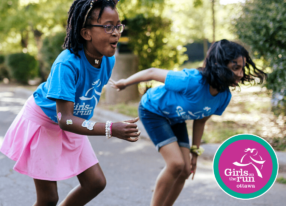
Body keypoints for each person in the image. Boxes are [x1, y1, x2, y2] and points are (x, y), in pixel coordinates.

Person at [0, 0, 140, 206]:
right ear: (86, 33)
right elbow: (63, 119)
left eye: (118, 26)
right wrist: (110, 128)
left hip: (71, 121)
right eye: (108, 27)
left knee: (95, 183)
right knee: (48, 199)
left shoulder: (106, 59)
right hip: (46, 122)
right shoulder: (66, 64)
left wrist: (103, 8)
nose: (116, 34)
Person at [109, 39, 266, 206]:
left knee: (185, 170)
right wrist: (125, 83)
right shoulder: (192, 80)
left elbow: (201, 119)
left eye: (242, 68)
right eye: (236, 68)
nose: (241, 74)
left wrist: (195, 152)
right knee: (176, 164)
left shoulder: (224, 96)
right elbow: (152, 72)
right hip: (153, 111)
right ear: (219, 65)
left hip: (177, 118)